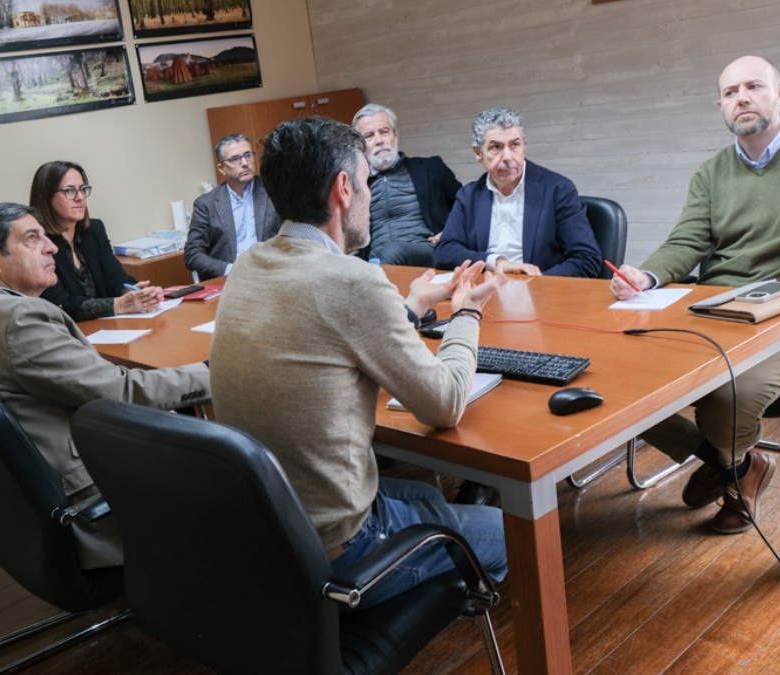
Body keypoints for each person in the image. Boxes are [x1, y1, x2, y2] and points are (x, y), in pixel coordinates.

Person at [210, 116, 508, 609]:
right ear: (344, 189)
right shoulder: (353, 281)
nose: (370, 197)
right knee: (510, 531)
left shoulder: (247, 267)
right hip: (341, 550)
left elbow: (331, 333)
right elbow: (446, 402)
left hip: (267, 529)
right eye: (367, 184)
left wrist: (411, 305)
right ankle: (401, 608)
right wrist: (467, 311)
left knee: (429, 498)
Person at [610, 55, 780, 534]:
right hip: (712, 310)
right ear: (719, 106)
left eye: (754, 86)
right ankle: (739, 468)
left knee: (725, 400)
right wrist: (647, 276)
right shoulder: (711, 173)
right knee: (616, 381)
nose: (741, 98)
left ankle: (726, 463)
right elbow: (686, 242)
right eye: (730, 92)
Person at [0, 202, 210, 569]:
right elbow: (121, 393)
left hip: (43, 479)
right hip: (89, 492)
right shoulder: (21, 320)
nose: (51, 247)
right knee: (234, 462)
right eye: (32, 238)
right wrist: (216, 374)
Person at [434, 107, 602, 278]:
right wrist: (497, 263)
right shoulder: (468, 196)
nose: (507, 157)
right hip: (485, 288)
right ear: (478, 153)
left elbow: (587, 259)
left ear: (524, 147)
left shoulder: (558, 190)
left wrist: (538, 282)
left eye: (514, 145)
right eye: (496, 147)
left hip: (540, 288)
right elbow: (444, 251)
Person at [30, 160, 161, 321]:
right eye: (69, 190)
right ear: (46, 197)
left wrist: (134, 293)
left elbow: (117, 279)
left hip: (110, 328)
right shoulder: (38, 244)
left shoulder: (94, 230)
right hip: (68, 331)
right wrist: (118, 304)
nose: (80, 197)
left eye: (82, 189)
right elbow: (60, 304)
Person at [351, 103, 462, 266]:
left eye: (384, 132)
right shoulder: (354, 186)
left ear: (396, 136)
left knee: (394, 251)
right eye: (369, 136)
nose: (379, 141)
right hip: (377, 263)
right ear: (360, 147)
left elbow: (468, 207)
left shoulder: (431, 168)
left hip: (429, 252)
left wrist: (451, 233)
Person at [183, 133, 281, 280]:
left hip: (272, 275)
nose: (245, 163)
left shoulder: (275, 191)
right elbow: (193, 254)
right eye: (235, 159)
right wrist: (231, 270)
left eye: (248, 155)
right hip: (230, 280)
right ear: (221, 168)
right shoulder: (206, 205)